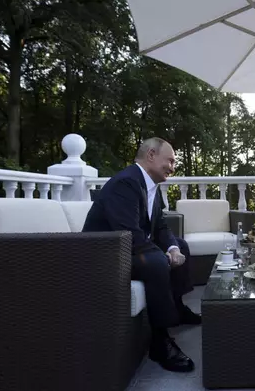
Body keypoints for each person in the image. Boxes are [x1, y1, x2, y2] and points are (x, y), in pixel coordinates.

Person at [82, 137, 200, 373]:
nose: (173, 167)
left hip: (126, 247)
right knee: (156, 262)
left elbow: (161, 228)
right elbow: (127, 232)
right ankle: (160, 341)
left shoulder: (149, 186)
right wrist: (162, 255)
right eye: (170, 160)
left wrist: (173, 249)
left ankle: (177, 307)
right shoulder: (125, 183)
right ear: (151, 155)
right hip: (104, 254)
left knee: (182, 246)